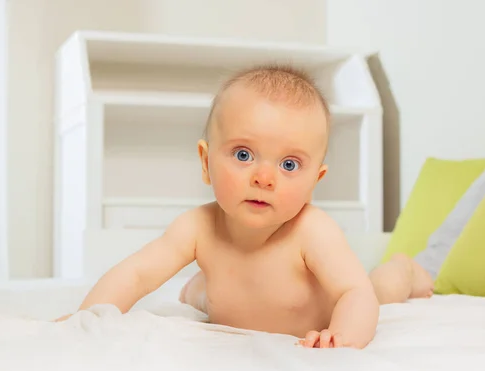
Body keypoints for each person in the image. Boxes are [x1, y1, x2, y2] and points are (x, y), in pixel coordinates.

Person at [56, 65, 434, 349]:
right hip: (231, 295)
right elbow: (137, 274)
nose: (264, 177)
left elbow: (355, 294)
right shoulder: (197, 227)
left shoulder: (311, 231)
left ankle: (405, 268)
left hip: (325, 307)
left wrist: (342, 339)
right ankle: (200, 288)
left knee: (380, 286)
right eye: (243, 154)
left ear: (313, 183)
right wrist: (87, 318)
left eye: (289, 165)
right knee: (204, 294)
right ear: (205, 162)